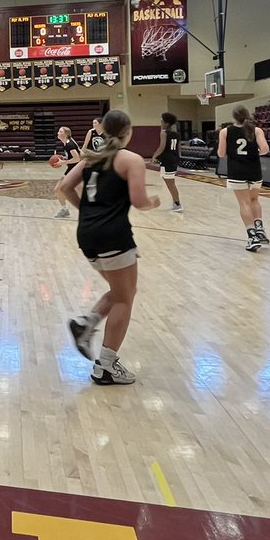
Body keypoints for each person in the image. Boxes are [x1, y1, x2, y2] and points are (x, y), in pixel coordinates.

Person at [60, 109, 160, 385]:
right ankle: (105, 366)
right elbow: (139, 201)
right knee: (125, 298)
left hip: (87, 234)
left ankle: (86, 324)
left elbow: (65, 186)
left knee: (121, 291)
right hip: (114, 235)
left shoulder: (90, 158)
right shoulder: (130, 159)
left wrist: (86, 211)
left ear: (102, 130)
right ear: (128, 131)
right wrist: (154, 202)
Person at [218, 105, 270, 252]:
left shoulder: (225, 131)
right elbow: (265, 149)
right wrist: (253, 154)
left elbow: (221, 154)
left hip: (237, 171)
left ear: (233, 117)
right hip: (254, 170)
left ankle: (252, 236)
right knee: (254, 200)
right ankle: (259, 227)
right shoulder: (256, 130)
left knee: (244, 203)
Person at [151, 112, 183, 212]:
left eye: (162, 120)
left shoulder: (163, 133)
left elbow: (162, 147)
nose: (160, 122)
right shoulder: (176, 134)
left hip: (167, 160)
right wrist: (177, 159)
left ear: (166, 123)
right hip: (173, 159)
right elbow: (179, 149)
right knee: (170, 183)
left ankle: (177, 204)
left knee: (171, 184)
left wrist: (154, 156)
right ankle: (176, 203)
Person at [52, 126, 80, 218]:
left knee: (60, 189)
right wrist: (64, 158)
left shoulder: (69, 144)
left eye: (60, 131)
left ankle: (66, 209)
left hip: (76, 169)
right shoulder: (66, 143)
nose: (58, 133)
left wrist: (64, 162)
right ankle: (65, 209)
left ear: (66, 134)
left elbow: (77, 158)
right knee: (58, 189)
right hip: (72, 168)